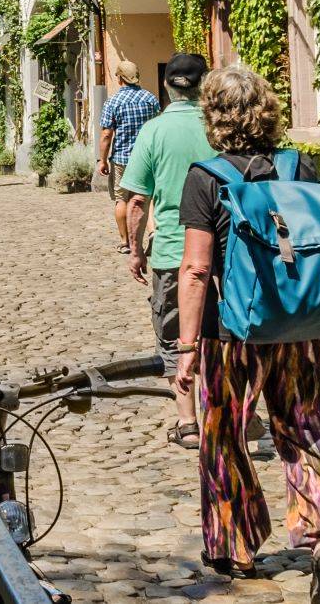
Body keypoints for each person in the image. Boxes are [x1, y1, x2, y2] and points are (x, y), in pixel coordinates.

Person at [174, 65, 320, 600]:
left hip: (232, 334)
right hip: (306, 329)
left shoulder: (208, 177)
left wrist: (185, 350)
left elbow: (197, 269)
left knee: (226, 434)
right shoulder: (302, 168)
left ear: (215, 117)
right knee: (313, 426)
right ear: (266, 113)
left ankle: (238, 547)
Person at [118, 52, 213, 450]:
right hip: (223, 250)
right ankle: (232, 412)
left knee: (175, 334)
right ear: (204, 84)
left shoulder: (154, 132)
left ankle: (188, 421)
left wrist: (135, 250)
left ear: (168, 86)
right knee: (222, 333)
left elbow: (137, 200)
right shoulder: (221, 127)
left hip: (174, 250)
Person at [99, 61, 161, 254]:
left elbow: (106, 135)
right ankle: (152, 233)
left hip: (122, 159)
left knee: (121, 199)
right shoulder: (151, 99)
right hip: (147, 157)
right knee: (148, 197)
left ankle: (126, 242)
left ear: (119, 78)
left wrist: (102, 159)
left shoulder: (113, 102)